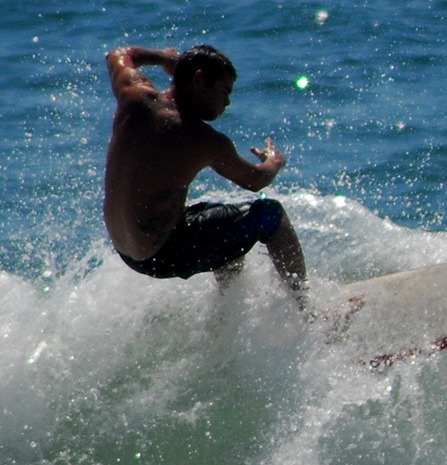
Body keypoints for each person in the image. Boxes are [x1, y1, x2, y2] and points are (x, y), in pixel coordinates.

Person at [102, 44, 307, 302]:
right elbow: (255, 180)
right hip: (163, 254)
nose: (228, 102)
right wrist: (274, 161)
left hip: (125, 248)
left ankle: (226, 311)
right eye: (224, 91)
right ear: (198, 80)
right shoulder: (204, 139)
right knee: (270, 215)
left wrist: (165, 58)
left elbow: (118, 56)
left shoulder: (133, 95)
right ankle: (308, 311)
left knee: (224, 218)